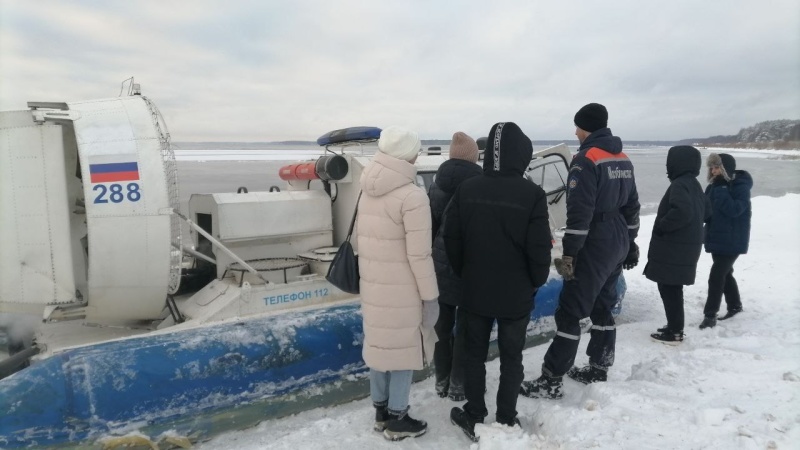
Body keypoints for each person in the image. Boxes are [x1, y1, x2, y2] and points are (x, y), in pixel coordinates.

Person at [520, 103, 640, 399]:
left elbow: (579, 214)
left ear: (585, 127)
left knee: (570, 312)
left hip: (595, 242)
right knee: (603, 304)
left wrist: (570, 253)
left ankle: (551, 379)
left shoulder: (585, 160)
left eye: (577, 127)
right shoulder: (622, 158)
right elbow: (632, 206)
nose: (575, 132)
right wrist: (631, 241)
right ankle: (599, 366)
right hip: (617, 239)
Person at [445, 122, 552, 441]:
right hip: (515, 295)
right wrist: (536, 281)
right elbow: (539, 249)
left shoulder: (468, 189)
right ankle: (506, 417)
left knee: (474, 355)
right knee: (512, 356)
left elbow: (452, 239)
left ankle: (475, 413)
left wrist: (465, 272)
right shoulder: (532, 194)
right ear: (520, 154)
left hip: (475, 291)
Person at [356, 126, 439, 441]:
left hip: (375, 286)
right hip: (403, 291)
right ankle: (397, 419)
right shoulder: (412, 195)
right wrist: (430, 297)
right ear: (406, 154)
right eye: (415, 149)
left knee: (379, 347)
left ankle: (380, 412)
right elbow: (420, 256)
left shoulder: (367, 188)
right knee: (405, 349)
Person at [429, 132, 482, 401]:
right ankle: (459, 385)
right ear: (473, 157)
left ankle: (441, 380)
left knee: (442, 327)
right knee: (466, 329)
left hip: (440, 264)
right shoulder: (481, 184)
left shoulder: (437, 183)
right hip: (469, 265)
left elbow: (431, 226)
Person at [644, 146, 709, 343]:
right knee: (672, 287)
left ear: (676, 163)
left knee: (669, 287)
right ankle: (675, 326)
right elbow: (707, 212)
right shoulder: (694, 184)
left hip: (675, 248)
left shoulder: (680, 184)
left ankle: (674, 332)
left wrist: (663, 226)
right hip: (685, 246)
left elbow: (682, 212)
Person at [699, 153, 753, 328]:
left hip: (732, 239)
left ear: (725, 168)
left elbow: (735, 210)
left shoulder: (740, 186)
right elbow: (706, 210)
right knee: (725, 273)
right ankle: (735, 305)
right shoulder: (715, 186)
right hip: (717, 237)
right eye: (711, 168)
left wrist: (722, 190)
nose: (714, 171)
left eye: (717, 167)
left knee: (716, 276)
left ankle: (710, 315)